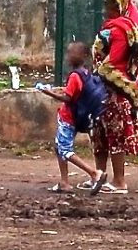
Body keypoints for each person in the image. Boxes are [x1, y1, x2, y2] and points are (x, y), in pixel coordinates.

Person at [78, 0, 138, 194]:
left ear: (122, 8)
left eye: (113, 7)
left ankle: (119, 181)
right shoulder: (112, 28)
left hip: (114, 91)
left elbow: (114, 63)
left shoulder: (120, 31)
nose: (108, 10)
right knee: (99, 135)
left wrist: (95, 77)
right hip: (102, 90)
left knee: (115, 135)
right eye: (108, 6)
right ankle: (99, 176)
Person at [38, 41, 108, 195]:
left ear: (83, 56)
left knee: (64, 149)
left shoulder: (75, 75)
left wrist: (48, 92)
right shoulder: (86, 73)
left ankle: (94, 174)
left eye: (72, 53)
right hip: (77, 118)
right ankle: (64, 182)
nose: (68, 56)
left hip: (68, 118)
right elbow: (74, 92)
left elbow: (68, 98)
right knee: (59, 147)